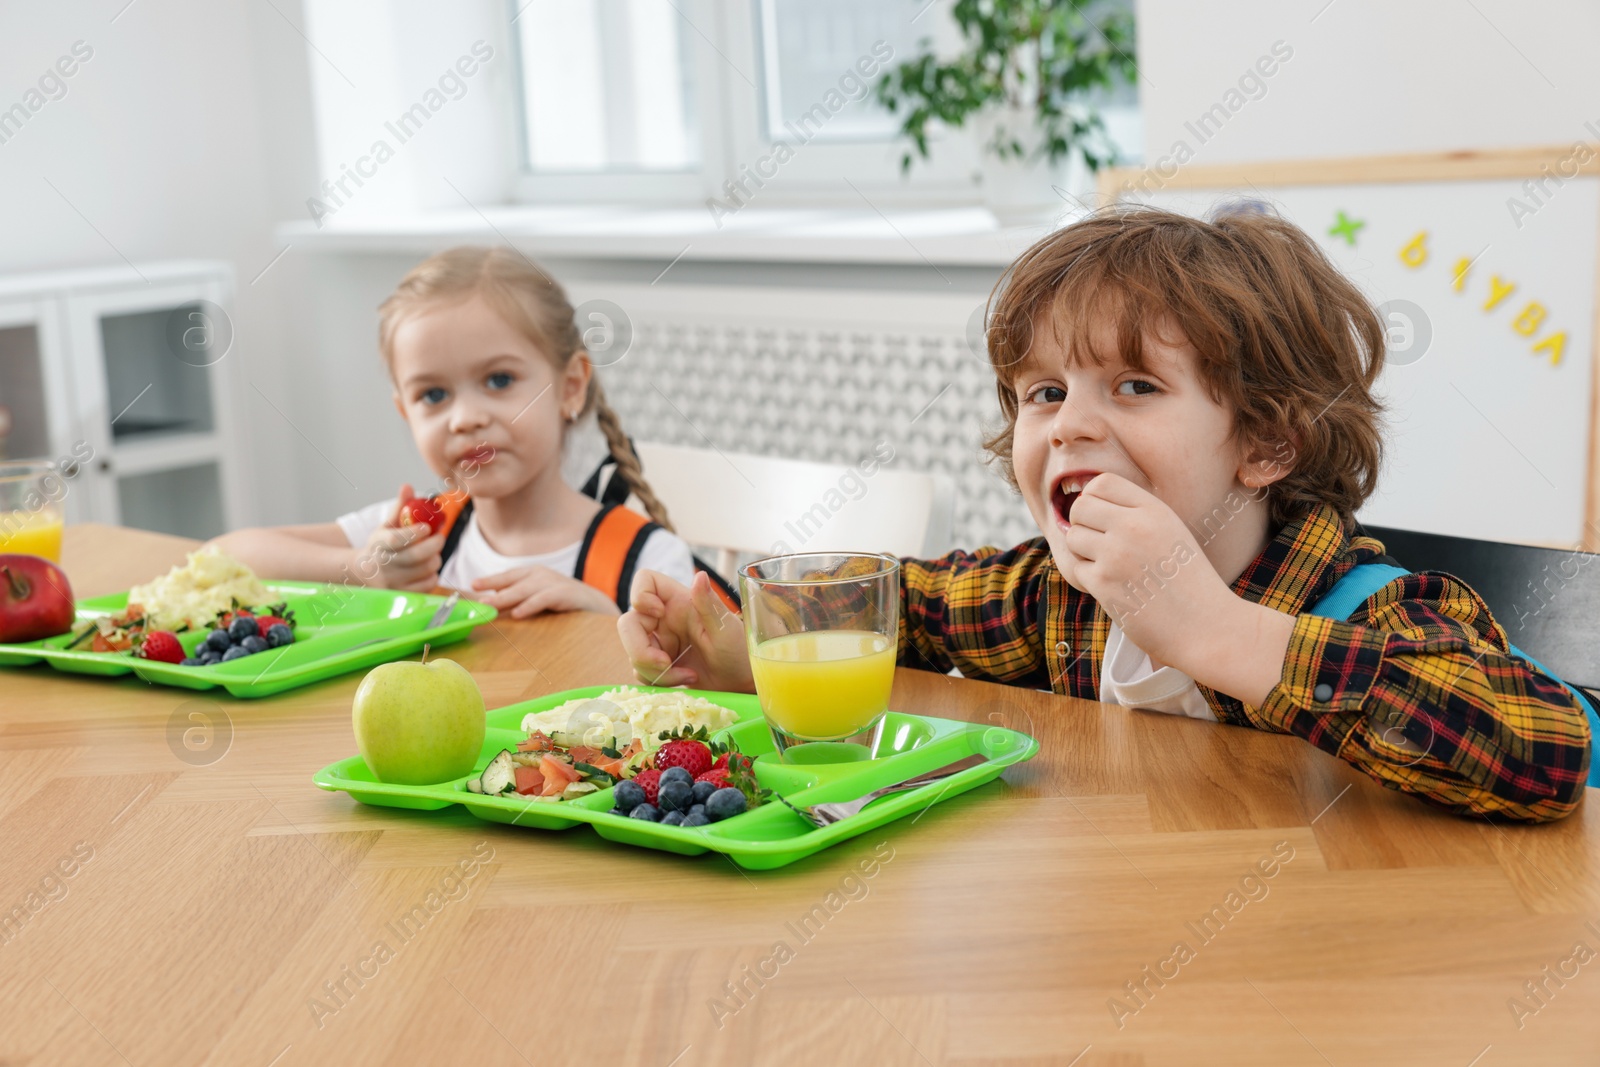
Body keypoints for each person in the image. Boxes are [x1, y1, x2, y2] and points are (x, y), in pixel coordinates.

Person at [617, 205, 1592, 822]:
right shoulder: (1057, 597)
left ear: (1265, 442)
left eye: (1132, 385)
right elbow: (909, 607)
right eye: (1043, 393)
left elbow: (1549, 748)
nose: (1071, 423)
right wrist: (751, 650)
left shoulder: (1370, 607)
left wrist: (1220, 633)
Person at [213, 247, 695, 617]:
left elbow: (700, 703)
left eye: (499, 381)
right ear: (405, 413)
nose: (464, 418)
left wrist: (603, 624)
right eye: (434, 396)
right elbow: (223, 555)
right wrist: (362, 567)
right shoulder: (418, 532)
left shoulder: (648, 559)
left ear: (569, 388)